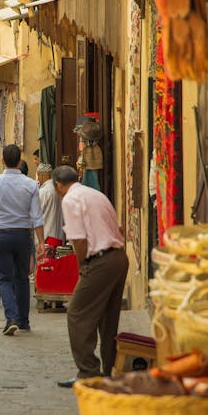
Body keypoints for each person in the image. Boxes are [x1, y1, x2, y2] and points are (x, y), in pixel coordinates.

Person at [52, 165, 129, 387]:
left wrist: (82, 265)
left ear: (58, 185)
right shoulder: (96, 194)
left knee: (77, 314)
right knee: (108, 316)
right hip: (118, 257)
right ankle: (108, 368)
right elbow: (120, 229)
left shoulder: (70, 199)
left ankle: (88, 372)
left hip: (100, 260)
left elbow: (78, 239)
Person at [0, 144, 45, 335]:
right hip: (23, 235)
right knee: (22, 278)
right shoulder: (31, 185)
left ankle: (11, 317)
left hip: (1, 234)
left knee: (4, 279)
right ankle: (23, 321)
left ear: (2, 161)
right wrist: (41, 242)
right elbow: (37, 217)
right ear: (20, 162)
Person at [36, 163, 64, 242]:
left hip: (46, 236)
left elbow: (36, 214)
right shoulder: (60, 189)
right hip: (60, 236)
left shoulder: (43, 191)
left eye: (38, 176)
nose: (38, 179)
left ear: (41, 175)